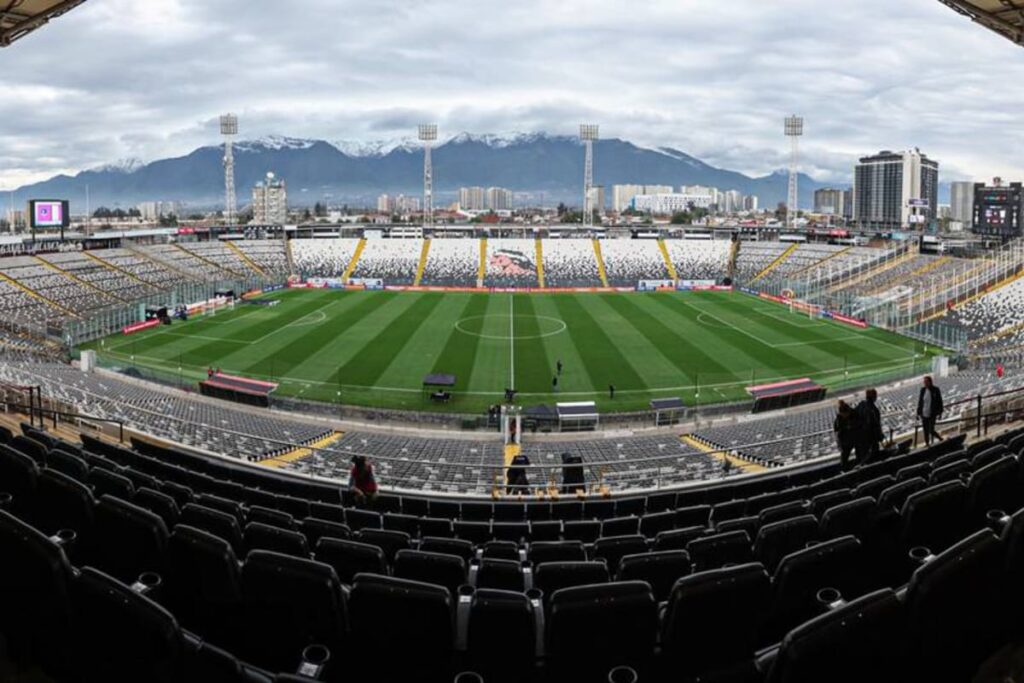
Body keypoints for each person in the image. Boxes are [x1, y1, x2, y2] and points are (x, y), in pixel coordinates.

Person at [855, 388, 885, 465]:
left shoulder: (861, 405)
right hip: (871, 439)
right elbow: (876, 426)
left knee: (863, 459)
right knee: (874, 459)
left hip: (860, 439)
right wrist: (880, 436)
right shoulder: (874, 410)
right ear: (874, 397)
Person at [917, 376, 944, 446]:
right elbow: (920, 402)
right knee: (925, 430)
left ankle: (940, 439)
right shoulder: (922, 390)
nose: (925, 383)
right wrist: (918, 412)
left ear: (930, 382)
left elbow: (939, 401)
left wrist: (940, 412)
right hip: (924, 413)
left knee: (930, 430)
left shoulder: (935, 390)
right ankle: (927, 443)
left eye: (926, 382)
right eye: (924, 382)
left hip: (932, 413)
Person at [833, 400, 859, 471]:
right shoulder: (838, 420)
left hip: (856, 438)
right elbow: (837, 433)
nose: (844, 416)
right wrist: (839, 444)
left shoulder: (855, 414)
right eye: (842, 414)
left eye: (845, 414)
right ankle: (845, 470)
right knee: (844, 459)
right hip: (845, 442)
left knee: (860, 455)